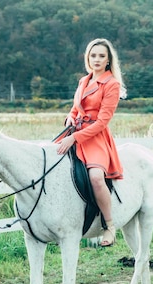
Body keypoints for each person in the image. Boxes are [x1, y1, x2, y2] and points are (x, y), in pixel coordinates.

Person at [55, 38, 127, 247]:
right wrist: (70, 117)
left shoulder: (112, 83)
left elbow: (103, 121)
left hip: (95, 137)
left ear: (108, 60)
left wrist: (74, 138)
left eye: (101, 56)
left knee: (96, 177)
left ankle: (109, 226)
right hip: (74, 131)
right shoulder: (83, 81)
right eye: (93, 55)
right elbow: (76, 108)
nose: (96, 59)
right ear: (88, 58)